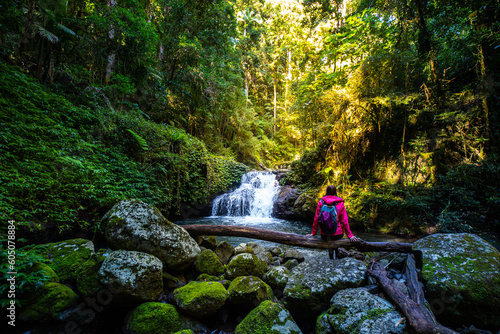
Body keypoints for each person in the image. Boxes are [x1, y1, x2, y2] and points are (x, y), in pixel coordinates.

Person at [307, 185, 362, 259]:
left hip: (324, 233)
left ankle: (331, 255)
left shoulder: (321, 202)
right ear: (335, 192)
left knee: (329, 242)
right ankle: (337, 254)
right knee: (336, 239)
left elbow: (316, 218)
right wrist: (350, 235)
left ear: (326, 192)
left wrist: (313, 233)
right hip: (337, 234)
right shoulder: (340, 203)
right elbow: (344, 221)